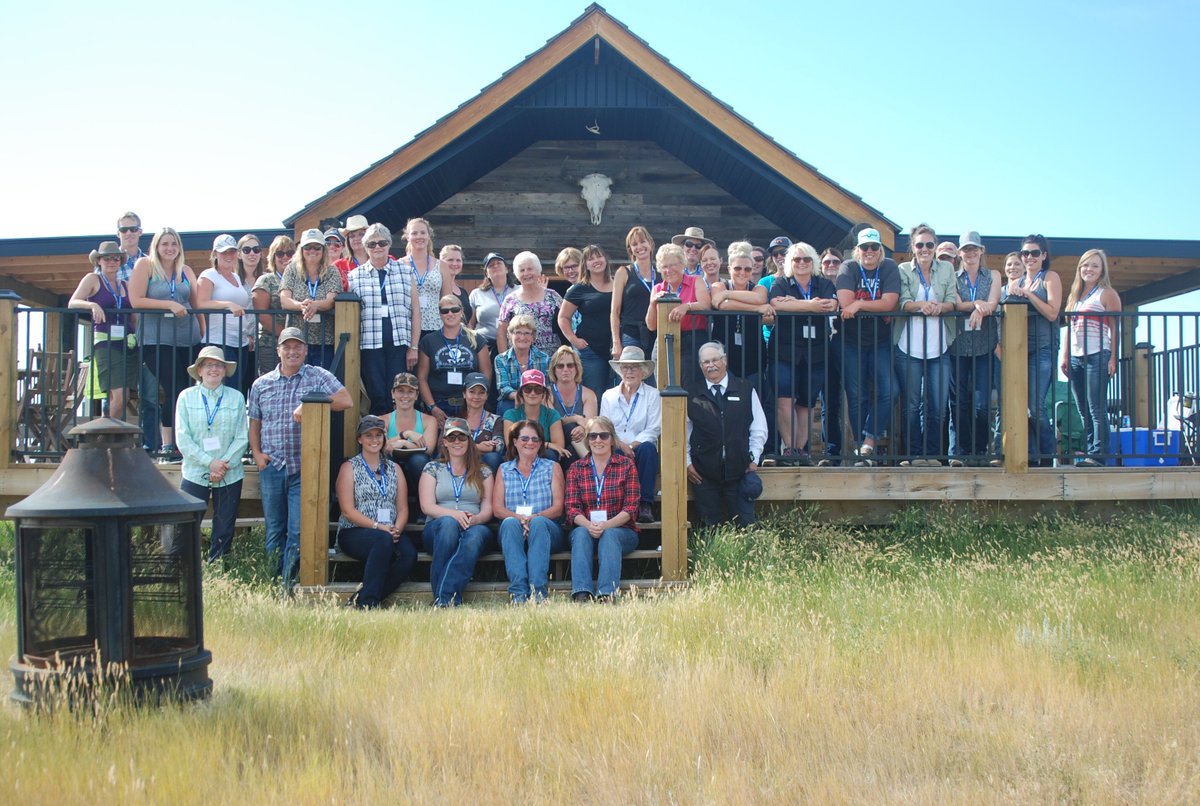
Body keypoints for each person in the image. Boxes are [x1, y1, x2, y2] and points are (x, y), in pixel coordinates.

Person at [249, 327, 353, 590]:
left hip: (303, 467)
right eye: (287, 347)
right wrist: (258, 455)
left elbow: (346, 400)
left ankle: (288, 586)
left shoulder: (317, 376)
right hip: (271, 465)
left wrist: (310, 403)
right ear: (278, 351)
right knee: (274, 530)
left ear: (306, 350)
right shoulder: (261, 384)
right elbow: (254, 423)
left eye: (298, 347)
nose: (292, 351)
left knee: (297, 532)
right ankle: (271, 584)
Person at [128, 226, 201, 460]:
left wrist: (204, 335)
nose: (170, 248)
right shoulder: (145, 266)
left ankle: (187, 443)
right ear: (157, 246)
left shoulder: (186, 270)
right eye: (165, 244)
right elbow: (136, 300)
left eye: (174, 244)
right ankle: (169, 445)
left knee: (191, 390)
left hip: (188, 338)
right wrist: (168, 304)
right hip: (156, 340)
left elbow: (197, 305)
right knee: (174, 387)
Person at [175, 346, 249, 562]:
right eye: (208, 365)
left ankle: (218, 567)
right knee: (186, 524)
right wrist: (210, 463)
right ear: (199, 370)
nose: (214, 369)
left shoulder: (236, 397)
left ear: (225, 371)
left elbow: (242, 437)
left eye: (218, 365)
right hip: (195, 471)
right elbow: (183, 438)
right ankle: (178, 568)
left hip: (229, 473)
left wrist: (223, 465)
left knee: (224, 525)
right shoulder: (186, 397)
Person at [767, 242, 839, 465]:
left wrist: (794, 303)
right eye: (797, 259)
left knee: (807, 403)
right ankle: (789, 449)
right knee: (784, 400)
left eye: (806, 259)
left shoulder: (823, 283)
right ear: (789, 263)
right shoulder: (780, 282)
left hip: (815, 352)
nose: (801, 263)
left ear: (813, 262)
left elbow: (831, 305)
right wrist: (810, 305)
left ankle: (801, 450)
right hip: (784, 350)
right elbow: (776, 304)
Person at [335, 415, 417, 609]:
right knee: (382, 540)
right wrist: (378, 527)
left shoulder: (395, 468)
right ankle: (368, 604)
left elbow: (403, 507)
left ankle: (362, 598)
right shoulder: (349, 468)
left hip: (389, 530)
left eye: (378, 435)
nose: (374, 440)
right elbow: (347, 510)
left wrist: (397, 528)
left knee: (408, 555)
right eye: (368, 435)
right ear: (360, 439)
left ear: (384, 438)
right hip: (355, 531)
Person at [835, 227, 900, 466]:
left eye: (874, 247)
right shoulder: (848, 267)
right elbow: (844, 302)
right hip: (850, 341)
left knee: (890, 390)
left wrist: (860, 304)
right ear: (858, 250)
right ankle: (860, 450)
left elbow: (890, 303)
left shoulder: (889, 267)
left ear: (880, 249)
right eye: (865, 247)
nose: (869, 251)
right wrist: (871, 304)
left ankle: (869, 441)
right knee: (856, 395)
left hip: (880, 340)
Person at [894, 224, 957, 467]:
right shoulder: (903, 269)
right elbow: (902, 302)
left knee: (938, 405)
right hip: (908, 347)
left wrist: (940, 307)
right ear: (912, 247)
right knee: (910, 405)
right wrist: (921, 306)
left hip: (939, 347)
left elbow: (951, 300)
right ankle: (913, 454)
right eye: (919, 244)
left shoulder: (947, 269)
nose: (925, 249)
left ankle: (932, 455)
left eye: (929, 244)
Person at [686, 342, 768, 526]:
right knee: (709, 527)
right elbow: (684, 432)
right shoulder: (692, 393)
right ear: (700, 366)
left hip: (738, 471)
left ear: (724, 361)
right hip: (703, 473)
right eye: (706, 362)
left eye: (715, 360)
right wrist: (687, 463)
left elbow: (759, 427)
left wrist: (754, 458)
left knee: (743, 526)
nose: (711, 365)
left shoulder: (745, 388)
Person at [418, 417, 495, 607]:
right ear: (444, 442)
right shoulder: (432, 468)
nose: (457, 442)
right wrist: (454, 515)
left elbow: (488, 508)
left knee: (475, 537)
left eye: (462, 437)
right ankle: (445, 598)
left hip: (474, 524)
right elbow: (427, 506)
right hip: (439, 527)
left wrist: (476, 519)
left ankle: (443, 599)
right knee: (448, 524)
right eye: (451, 438)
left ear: (469, 441)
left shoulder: (484, 471)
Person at [347, 223, 421, 415]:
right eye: (372, 244)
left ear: (389, 245)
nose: (377, 247)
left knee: (398, 391)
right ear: (365, 247)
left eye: (382, 242)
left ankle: (398, 434)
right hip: (370, 345)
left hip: (399, 343)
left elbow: (415, 310)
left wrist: (413, 346)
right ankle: (378, 437)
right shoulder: (354, 276)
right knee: (377, 392)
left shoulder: (405, 271)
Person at [565, 415, 640, 602]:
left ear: (612, 439)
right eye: (593, 436)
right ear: (587, 440)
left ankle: (606, 593)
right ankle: (582, 592)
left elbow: (631, 508)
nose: (598, 440)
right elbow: (572, 509)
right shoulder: (576, 468)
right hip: (586, 528)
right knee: (581, 534)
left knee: (610, 534)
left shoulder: (626, 466)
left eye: (603, 436)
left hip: (621, 531)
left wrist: (605, 525)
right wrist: (590, 526)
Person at [494, 419, 565, 603]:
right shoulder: (504, 469)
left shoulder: (552, 467)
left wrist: (532, 519)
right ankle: (518, 593)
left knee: (539, 523)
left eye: (535, 439)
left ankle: (538, 593)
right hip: (514, 530)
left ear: (541, 443)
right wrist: (520, 519)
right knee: (509, 523)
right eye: (524, 438)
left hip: (546, 530)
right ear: (515, 441)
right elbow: (497, 509)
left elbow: (558, 508)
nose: (530, 443)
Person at [1006, 234, 1062, 465]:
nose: (1029, 257)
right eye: (1025, 253)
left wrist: (1028, 295)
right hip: (1019, 350)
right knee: (1019, 405)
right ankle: (1029, 457)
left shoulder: (1049, 277)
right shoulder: (1016, 283)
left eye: (1034, 253)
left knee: (1035, 406)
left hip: (1044, 349)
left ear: (1043, 256)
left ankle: (1047, 457)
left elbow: (1052, 312)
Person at [1061, 249, 1121, 466]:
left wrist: (1113, 358)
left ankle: (1099, 454)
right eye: (1086, 265)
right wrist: (1065, 354)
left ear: (1102, 269)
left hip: (1098, 355)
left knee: (1097, 408)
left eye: (1095, 265)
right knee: (1083, 409)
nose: (1090, 269)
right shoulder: (1075, 296)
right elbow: (1070, 327)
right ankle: (1090, 451)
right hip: (1076, 357)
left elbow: (1115, 328)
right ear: (1080, 268)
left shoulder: (1107, 293)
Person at [69, 241, 139, 421]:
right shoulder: (92, 279)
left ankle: (114, 437)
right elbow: (73, 302)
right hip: (106, 343)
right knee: (120, 394)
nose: (112, 262)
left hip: (128, 344)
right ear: (99, 261)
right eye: (107, 258)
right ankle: (105, 437)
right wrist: (92, 304)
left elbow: (134, 315)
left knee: (124, 396)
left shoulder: (125, 284)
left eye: (116, 258)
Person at [949, 231, 1001, 466]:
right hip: (957, 347)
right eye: (966, 249)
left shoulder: (993, 275)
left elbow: (993, 303)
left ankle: (980, 451)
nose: (970, 253)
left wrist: (981, 307)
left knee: (981, 404)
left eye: (974, 249)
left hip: (983, 347)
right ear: (960, 253)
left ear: (982, 250)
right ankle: (961, 450)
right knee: (959, 402)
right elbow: (956, 303)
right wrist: (977, 304)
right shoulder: (951, 275)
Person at [599, 347, 660, 522]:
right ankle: (617, 506)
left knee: (648, 450)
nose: (629, 371)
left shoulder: (653, 395)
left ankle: (645, 505)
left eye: (634, 367)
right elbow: (605, 427)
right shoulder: (608, 396)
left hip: (640, 446)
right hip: (616, 446)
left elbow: (654, 428)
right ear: (620, 370)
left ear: (643, 371)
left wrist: (632, 446)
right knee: (613, 453)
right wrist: (620, 444)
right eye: (625, 367)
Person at [115, 212, 159, 452]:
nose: (129, 233)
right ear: (118, 233)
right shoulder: (108, 261)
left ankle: (150, 447)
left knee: (150, 396)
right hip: (119, 340)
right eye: (124, 230)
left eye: (133, 229)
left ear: (141, 232)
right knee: (117, 397)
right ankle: (115, 447)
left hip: (146, 337)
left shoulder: (150, 263)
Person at [646, 243, 711, 388]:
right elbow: (651, 326)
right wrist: (652, 303)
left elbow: (705, 304)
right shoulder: (658, 288)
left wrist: (686, 307)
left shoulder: (696, 281)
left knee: (690, 386)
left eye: (672, 265)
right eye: (664, 266)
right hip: (664, 340)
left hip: (692, 339)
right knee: (663, 386)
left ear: (682, 264)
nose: (668, 270)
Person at [418, 293, 491, 422]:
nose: (450, 314)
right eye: (445, 311)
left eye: (455, 309)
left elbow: (486, 374)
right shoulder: (428, 341)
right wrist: (432, 407)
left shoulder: (477, 339)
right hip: (439, 404)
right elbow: (422, 378)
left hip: (470, 403)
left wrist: (478, 403)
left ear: (461, 311)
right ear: (439, 314)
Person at [196, 234, 255, 392]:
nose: (229, 256)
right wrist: (228, 304)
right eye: (224, 252)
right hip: (219, 341)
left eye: (232, 251)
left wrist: (249, 335)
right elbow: (200, 303)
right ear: (215, 253)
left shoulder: (236, 277)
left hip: (240, 342)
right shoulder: (208, 275)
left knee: (238, 390)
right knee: (227, 388)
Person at [558, 244, 615, 396]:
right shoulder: (580, 288)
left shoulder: (618, 284)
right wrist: (574, 339)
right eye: (591, 259)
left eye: (599, 256)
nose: (596, 261)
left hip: (616, 349)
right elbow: (563, 317)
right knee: (594, 394)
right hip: (591, 351)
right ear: (585, 265)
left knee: (614, 393)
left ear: (606, 259)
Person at [279, 228, 341, 369]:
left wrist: (315, 305)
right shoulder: (291, 269)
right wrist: (301, 305)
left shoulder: (332, 271)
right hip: (297, 339)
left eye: (316, 247)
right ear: (301, 249)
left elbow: (331, 300)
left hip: (325, 339)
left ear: (323, 249)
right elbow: (284, 300)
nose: (312, 250)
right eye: (308, 247)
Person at [710, 241, 770, 384]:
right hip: (724, 349)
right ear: (729, 268)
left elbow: (760, 298)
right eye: (737, 268)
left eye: (747, 269)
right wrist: (756, 308)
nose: (742, 273)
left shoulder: (758, 288)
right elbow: (723, 306)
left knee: (753, 395)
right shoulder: (719, 285)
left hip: (753, 351)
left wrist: (727, 295)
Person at [497, 251, 563, 356]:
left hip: (551, 357)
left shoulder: (553, 295)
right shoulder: (510, 300)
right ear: (517, 275)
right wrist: (505, 359)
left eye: (530, 269)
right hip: (521, 357)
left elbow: (568, 320)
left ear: (538, 270)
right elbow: (501, 333)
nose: (526, 273)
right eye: (522, 270)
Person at [383, 372, 439, 493]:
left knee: (418, 459)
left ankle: (424, 505)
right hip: (392, 468)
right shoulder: (383, 420)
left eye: (410, 391)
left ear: (416, 395)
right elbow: (381, 445)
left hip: (418, 471)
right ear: (393, 393)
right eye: (401, 391)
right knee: (385, 459)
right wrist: (405, 434)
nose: (405, 396)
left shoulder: (429, 420)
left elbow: (428, 449)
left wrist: (404, 444)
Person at [609, 226, 658, 360]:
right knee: (630, 375)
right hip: (630, 334)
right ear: (630, 249)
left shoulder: (660, 273)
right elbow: (615, 311)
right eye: (634, 244)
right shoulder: (623, 272)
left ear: (650, 243)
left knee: (655, 378)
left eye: (642, 242)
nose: (639, 247)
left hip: (656, 334)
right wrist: (616, 342)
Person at [502, 369, 569, 461]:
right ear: (521, 393)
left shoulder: (552, 414)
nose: (532, 393)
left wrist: (528, 444)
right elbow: (511, 444)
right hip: (518, 459)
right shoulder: (510, 415)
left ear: (543, 393)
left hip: (545, 460)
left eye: (538, 389)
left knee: (551, 454)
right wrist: (547, 444)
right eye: (528, 389)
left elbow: (559, 447)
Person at [403, 217, 453, 337]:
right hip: (407, 328)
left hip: (435, 327)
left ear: (429, 235)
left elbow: (447, 301)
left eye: (423, 232)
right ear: (407, 237)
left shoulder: (441, 266)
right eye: (414, 233)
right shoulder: (399, 265)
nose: (419, 236)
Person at [818, 247, 846, 463]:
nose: (831, 266)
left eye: (836, 262)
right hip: (821, 349)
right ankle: (830, 451)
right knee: (828, 403)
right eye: (827, 262)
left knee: (853, 399)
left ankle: (858, 451)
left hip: (847, 348)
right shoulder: (817, 286)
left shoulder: (848, 286)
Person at [547, 345, 598, 459]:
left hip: (580, 441)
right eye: (560, 366)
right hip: (555, 439)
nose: (566, 369)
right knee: (570, 426)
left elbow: (588, 424)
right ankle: (591, 463)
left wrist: (581, 427)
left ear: (577, 368)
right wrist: (576, 419)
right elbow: (554, 422)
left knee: (571, 451)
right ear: (554, 370)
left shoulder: (588, 394)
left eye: (570, 365)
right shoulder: (547, 394)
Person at [493, 314, 550, 415]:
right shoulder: (501, 359)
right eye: (518, 332)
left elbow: (548, 386)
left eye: (527, 333)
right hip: (512, 400)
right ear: (510, 335)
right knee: (505, 406)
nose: (522, 337)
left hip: (537, 398)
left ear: (533, 337)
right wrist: (520, 397)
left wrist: (532, 398)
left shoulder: (544, 359)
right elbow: (503, 388)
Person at [251, 234, 288, 377]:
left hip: (295, 346)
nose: (285, 257)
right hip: (270, 344)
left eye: (290, 253)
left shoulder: (300, 280)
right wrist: (285, 335)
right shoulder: (265, 280)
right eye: (280, 253)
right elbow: (262, 314)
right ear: (273, 256)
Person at [468, 252, 516, 358]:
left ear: (507, 269)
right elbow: (470, 324)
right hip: (484, 346)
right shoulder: (476, 294)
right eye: (491, 265)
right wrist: (473, 342)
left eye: (499, 263)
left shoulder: (519, 291)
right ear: (486, 273)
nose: (495, 266)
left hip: (514, 345)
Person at [460, 371, 505, 472]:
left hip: (484, 463)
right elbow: (442, 446)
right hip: (459, 461)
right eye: (472, 392)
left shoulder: (495, 420)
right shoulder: (456, 419)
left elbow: (499, 446)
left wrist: (461, 446)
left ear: (487, 396)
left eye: (481, 392)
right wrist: (479, 446)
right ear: (464, 394)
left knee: (493, 458)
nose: (476, 396)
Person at [334, 214, 370, 289]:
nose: (357, 238)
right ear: (348, 240)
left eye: (361, 234)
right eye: (352, 236)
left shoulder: (382, 260)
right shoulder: (338, 266)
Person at [439, 244, 473, 321]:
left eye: (458, 260)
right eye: (450, 260)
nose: (455, 264)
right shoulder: (436, 288)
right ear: (441, 262)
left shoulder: (463, 292)